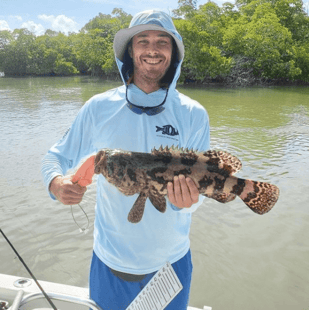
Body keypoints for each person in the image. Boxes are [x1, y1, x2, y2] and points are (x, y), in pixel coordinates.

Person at [41, 9, 210, 310]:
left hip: (171, 265)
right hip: (110, 264)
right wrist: (56, 184)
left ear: (174, 52)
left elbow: (202, 187)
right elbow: (56, 156)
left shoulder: (194, 114)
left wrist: (190, 200)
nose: (152, 49)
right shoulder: (98, 107)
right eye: (142, 40)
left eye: (163, 41)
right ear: (130, 51)